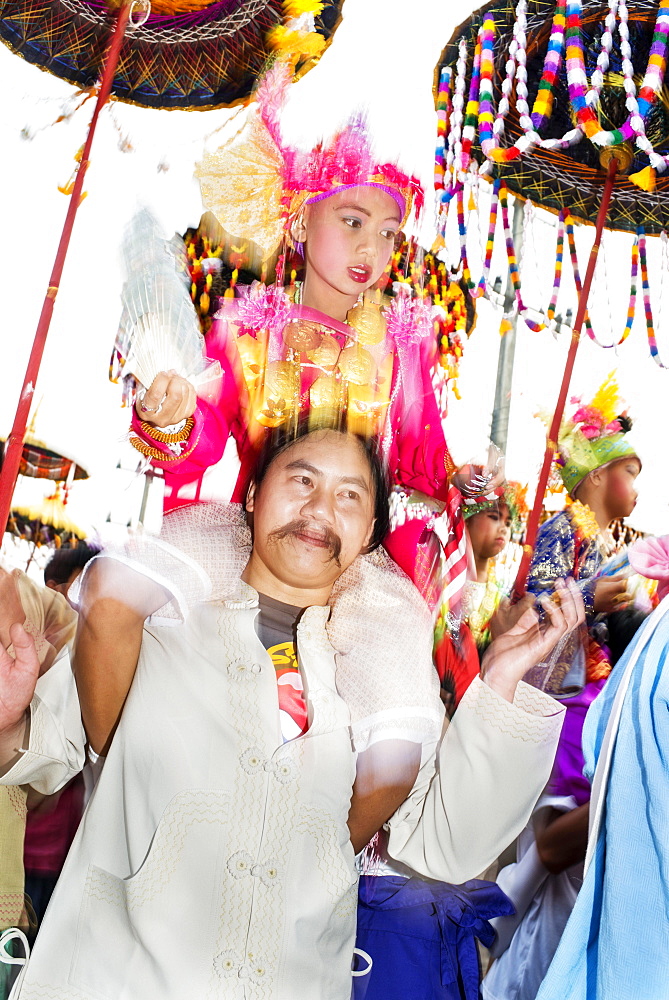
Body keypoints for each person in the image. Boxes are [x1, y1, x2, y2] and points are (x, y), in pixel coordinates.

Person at [0, 422, 582, 1000]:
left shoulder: (381, 687)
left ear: (372, 532)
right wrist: (9, 723)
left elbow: (449, 842)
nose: (320, 508)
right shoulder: (155, 622)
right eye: (301, 479)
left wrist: (503, 677)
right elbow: (49, 753)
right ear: (252, 495)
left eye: (350, 494)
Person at [480, 379, 641, 1000]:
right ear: (598, 475)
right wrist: (590, 599)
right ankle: (492, 929)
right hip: (563, 709)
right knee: (559, 843)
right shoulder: (563, 529)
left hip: (589, 705)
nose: (639, 484)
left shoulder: (609, 545)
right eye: (631, 469)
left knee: (566, 869)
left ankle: (515, 954)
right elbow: (538, 613)